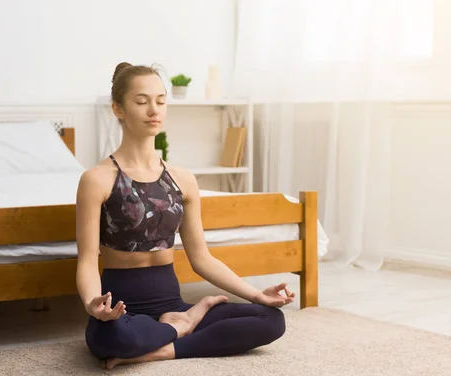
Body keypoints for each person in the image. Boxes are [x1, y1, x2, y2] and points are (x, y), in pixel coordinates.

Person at [76, 62, 295, 370]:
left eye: (161, 100)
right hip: (122, 311)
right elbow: (87, 259)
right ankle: (181, 327)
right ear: (118, 108)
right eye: (141, 101)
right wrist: (93, 306)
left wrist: (258, 294)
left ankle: (164, 348)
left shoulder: (183, 179)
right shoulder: (97, 178)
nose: (154, 109)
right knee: (106, 340)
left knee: (271, 320)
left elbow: (202, 258)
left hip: (172, 304)